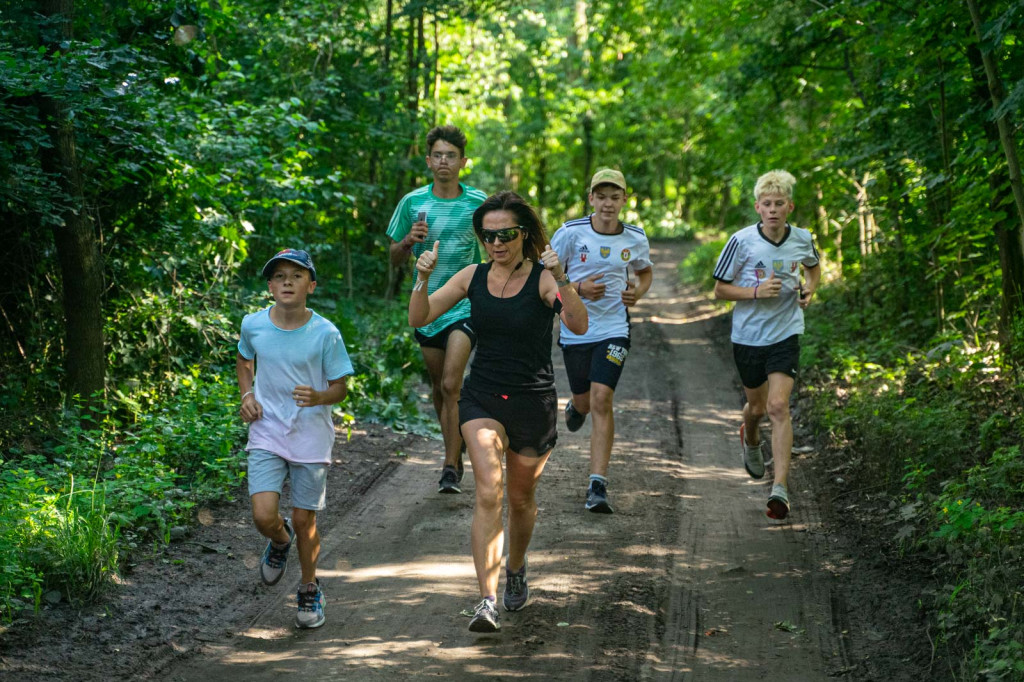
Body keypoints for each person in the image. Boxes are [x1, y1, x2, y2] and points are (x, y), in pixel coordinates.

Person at [408, 191, 588, 633]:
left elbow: (579, 324)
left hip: (533, 400)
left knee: (521, 500)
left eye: (505, 234)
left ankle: (517, 567)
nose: (497, 243)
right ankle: (486, 599)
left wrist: (561, 277)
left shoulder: (543, 279)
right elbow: (421, 316)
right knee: (489, 489)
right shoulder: (472, 275)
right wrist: (421, 279)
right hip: (483, 397)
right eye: (488, 236)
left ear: (524, 234)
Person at [236, 248, 354, 628]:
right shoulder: (253, 324)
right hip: (267, 429)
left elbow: (341, 387)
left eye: (297, 275)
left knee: (305, 519)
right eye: (280, 276)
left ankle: (309, 588)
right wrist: (246, 395)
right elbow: (244, 359)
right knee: (263, 515)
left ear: (311, 285)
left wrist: (320, 396)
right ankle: (280, 542)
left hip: (310, 436)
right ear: (270, 286)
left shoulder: (326, 333)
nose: (288, 281)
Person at [712, 170, 820, 520]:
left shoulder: (803, 238)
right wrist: (755, 292)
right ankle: (751, 436)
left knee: (778, 406)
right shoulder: (741, 241)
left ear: (789, 206)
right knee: (757, 410)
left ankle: (780, 488)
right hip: (748, 337)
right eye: (767, 204)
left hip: (786, 332)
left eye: (779, 204)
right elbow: (720, 290)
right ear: (758, 207)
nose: (773, 210)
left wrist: (809, 289)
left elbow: (813, 268)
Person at [387, 125, 488, 495]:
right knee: (437, 387)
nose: (444, 161)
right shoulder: (413, 203)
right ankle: (455, 447)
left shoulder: (478, 202)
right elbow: (394, 257)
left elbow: (495, 245)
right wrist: (407, 242)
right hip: (426, 307)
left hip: (464, 305)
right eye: (438, 155)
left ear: (463, 161)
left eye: (451, 155)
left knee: (451, 383)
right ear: (429, 160)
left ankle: (449, 467)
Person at [551, 169, 653, 514]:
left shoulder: (635, 238)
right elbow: (542, 275)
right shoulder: (569, 233)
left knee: (602, 398)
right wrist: (578, 289)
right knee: (584, 400)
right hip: (575, 329)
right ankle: (574, 406)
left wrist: (636, 292)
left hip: (614, 330)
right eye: (602, 196)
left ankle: (598, 485)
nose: (608, 203)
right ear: (591, 198)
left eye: (615, 196)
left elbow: (644, 271)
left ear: (625, 199)